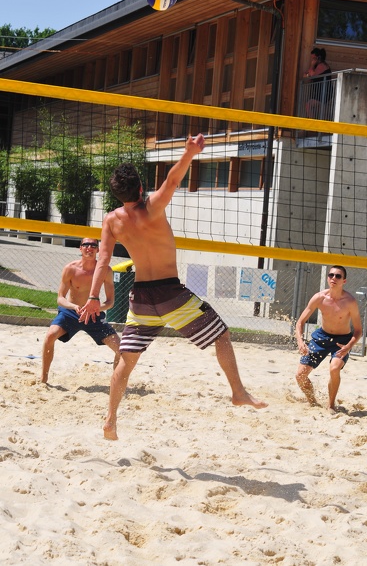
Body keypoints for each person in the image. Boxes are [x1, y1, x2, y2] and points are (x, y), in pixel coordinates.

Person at [79, 134, 268, 440]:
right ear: (141, 188)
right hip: (171, 294)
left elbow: (102, 261)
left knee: (126, 362)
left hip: (140, 298)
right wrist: (190, 152)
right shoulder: (152, 207)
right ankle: (238, 391)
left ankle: (111, 419)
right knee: (221, 336)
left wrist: (92, 297)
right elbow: (173, 179)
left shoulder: (111, 220)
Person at [41, 237, 121, 383]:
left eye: (93, 245)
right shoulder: (70, 268)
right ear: (80, 248)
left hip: (94, 315)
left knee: (121, 350)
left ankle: (117, 383)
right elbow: (60, 298)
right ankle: (44, 379)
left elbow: (110, 302)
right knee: (50, 336)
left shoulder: (105, 270)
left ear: (98, 249)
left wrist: (95, 307)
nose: (89, 248)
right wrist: (73, 306)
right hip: (71, 313)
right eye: (86, 245)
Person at [295, 265, 362, 413]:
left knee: (334, 368)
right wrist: (300, 341)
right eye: (331, 275)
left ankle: (331, 405)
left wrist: (349, 346)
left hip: (342, 341)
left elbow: (358, 330)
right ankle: (312, 401)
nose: (333, 278)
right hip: (321, 337)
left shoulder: (350, 301)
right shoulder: (319, 297)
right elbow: (300, 322)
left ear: (344, 281)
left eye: (338, 276)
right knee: (300, 376)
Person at [303, 47, 332, 118]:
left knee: (308, 105)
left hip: (324, 92)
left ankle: (312, 126)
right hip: (318, 92)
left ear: (318, 58)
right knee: (317, 110)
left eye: (314, 58)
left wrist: (312, 66)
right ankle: (314, 124)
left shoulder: (322, 66)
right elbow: (305, 75)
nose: (312, 60)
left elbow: (312, 75)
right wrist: (309, 73)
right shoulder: (316, 66)